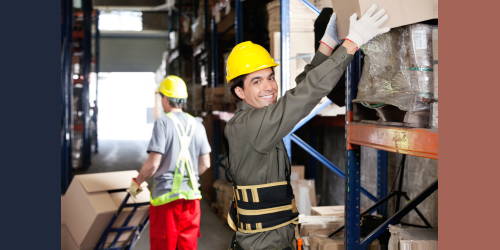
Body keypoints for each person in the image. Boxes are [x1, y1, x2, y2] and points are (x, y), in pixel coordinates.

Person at [223, 4, 390, 250]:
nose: (269, 87)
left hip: (279, 237)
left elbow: (300, 88)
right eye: (256, 82)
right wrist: (351, 44)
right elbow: (305, 95)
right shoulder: (250, 126)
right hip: (262, 244)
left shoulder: (261, 117)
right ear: (240, 91)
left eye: (270, 77)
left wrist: (326, 46)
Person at [128, 75, 211, 250]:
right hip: (192, 200)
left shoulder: (163, 123)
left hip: (166, 201)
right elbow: (205, 164)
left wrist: (137, 182)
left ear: (165, 99)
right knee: (187, 246)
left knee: (164, 245)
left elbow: (153, 164)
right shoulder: (198, 124)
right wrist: (189, 178)